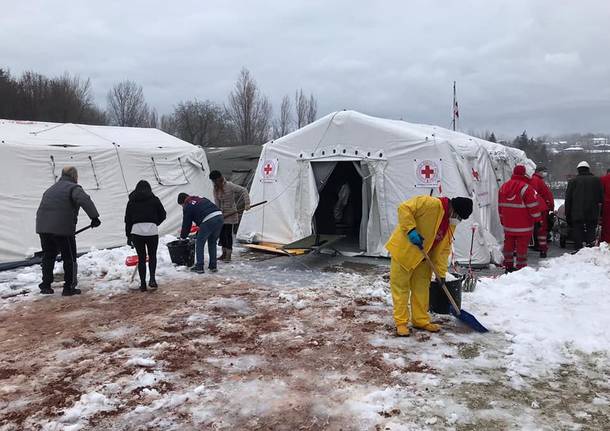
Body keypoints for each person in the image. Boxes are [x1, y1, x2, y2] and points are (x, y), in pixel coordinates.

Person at [385, 195, 473, 337]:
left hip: (425, 258)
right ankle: (401, 323)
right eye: (457, 216)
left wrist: (441, 273)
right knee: (401, 288)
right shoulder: (430, 204)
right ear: (452, 208)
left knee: (421, 290)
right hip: (405, 252)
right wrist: (411, 230)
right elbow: (404, 208)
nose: (457, 220)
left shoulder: (451, 225)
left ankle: (420, 320)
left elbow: (444, 250)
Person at [35, 166, 101, 296]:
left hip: (43, 228)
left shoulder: (51, 189)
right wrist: (94, 217)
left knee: (48, 256)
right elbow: (84, 200)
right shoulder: (73, 188)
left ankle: (45, 285)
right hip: (62, 230)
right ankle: (69, 287)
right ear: (74, 176)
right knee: (69, 258)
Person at [124, 180, 167, 292]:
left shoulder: (131, 201)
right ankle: (152, 279)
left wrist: (128, 236)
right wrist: (154, 222)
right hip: (152, 231)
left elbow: (127, 220)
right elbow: (163, 214)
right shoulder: (154, 200)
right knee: (152, 255)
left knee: (141, 258)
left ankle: (143, 284)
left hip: (136, 231)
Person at [498, 165, 542, 272]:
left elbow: (500, 206)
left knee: (508, 245)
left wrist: (503, 220)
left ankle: (508, 265)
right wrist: (538, 220)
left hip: (508, 224)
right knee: (521, 247)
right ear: (523, 173)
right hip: (524, 225)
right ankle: (520, 268)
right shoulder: (526, 188)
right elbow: (533, 206)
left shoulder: (503, 187)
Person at [209, 170, 250, 262]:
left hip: (231, 214)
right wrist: (218, 213)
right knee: (222, 235)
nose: (214, 183)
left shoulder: (230, 186)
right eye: (213, 181)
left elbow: (244, 190)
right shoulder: (215, 188)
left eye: (215, 180)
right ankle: (223, 253)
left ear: (219, 178)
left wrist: (247, 204)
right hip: (222, 215)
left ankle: (228, 255)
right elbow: (217, 202)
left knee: (228, 234)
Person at [178, 193, 224, 273]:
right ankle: (213, 266)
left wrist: (183, 237)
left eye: (181, 205)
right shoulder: (199, 198)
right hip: (219, 217)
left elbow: (186, 223)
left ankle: (199, 266)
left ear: (183, 202)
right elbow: (203, 212)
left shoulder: (188, 205)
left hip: (209, 219)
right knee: (212, 243)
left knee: (199, 243)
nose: (182, 207)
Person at [565, 161, 603, 249]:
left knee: (577, 231)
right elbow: (601, 197)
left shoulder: (573, 181)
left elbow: (568, 199)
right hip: (592, 211)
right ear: (588, 169)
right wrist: (601, 213)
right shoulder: (596, 180)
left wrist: (568, 214)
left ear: (578, 170)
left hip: (576, 212)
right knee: (591, 230)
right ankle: (590, 248)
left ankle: (578, 248)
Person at [529, 166, 554, 258]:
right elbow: (534, 193)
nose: (545, 173)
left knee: (540, 228)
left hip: (542, 207)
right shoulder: (536, 180)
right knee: (541, 228)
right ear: (538, 172)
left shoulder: (539, 180)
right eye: (543, 171)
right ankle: (539, 246)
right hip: (540, 208)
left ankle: (540, 245)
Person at [600, 169, 610, 243]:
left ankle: (606, 243)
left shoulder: (603, 179)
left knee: (606, 226)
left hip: (606, 206)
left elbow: (600, 194)